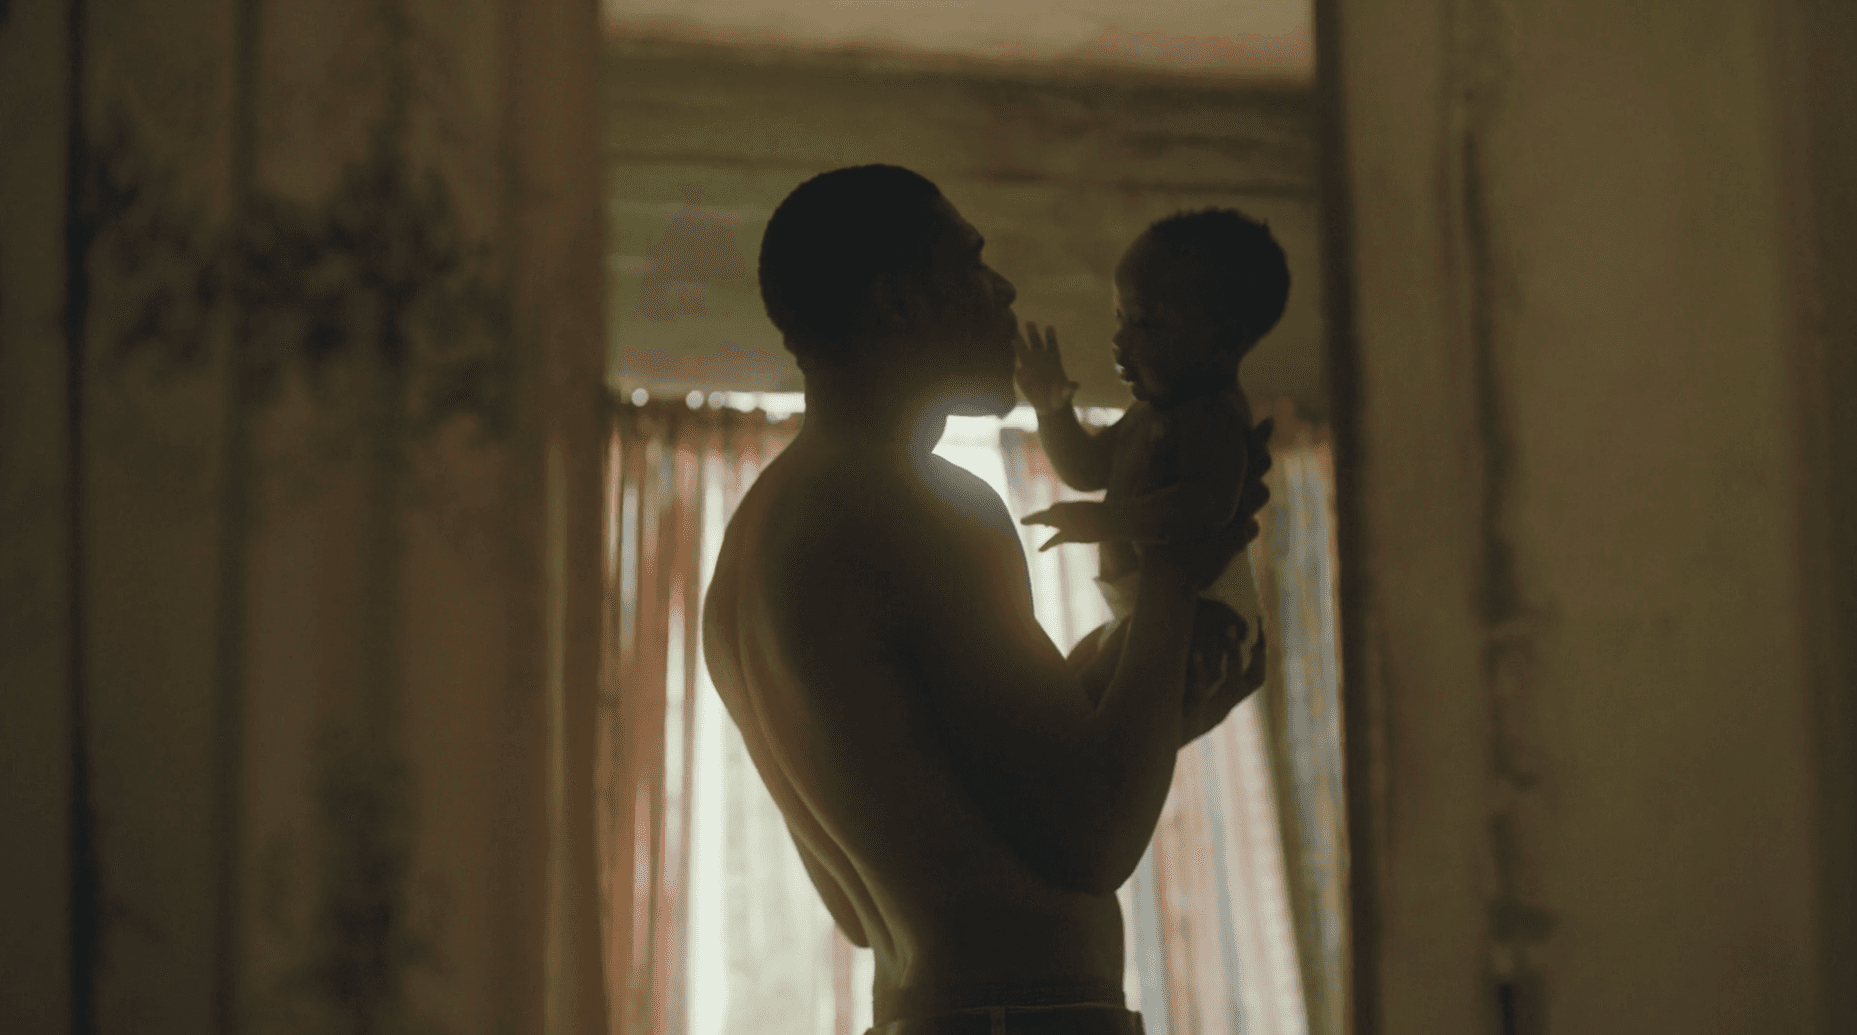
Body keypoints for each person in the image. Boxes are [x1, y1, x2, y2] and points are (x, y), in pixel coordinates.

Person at [701, 166, 1274, 1035]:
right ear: (898, 301)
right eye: (971, 264)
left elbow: (862, 908)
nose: (1002, 290)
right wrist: (1175, 568)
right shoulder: (921, 507)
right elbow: (1095, 834)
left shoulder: (752, 542)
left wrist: (1132, 689)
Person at [1016, 208, 1291, 694]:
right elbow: (1085, 468)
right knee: (1064, 687)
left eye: (1144, 323)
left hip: (1207, 618)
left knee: (1079, 700)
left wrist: (1106, 522)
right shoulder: (1152, 414)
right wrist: (1053, 412)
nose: (1120, 341)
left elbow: (1204, 508)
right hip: (1142, 609)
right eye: (1120, 317)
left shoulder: (1213, 418)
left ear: (1222, 341)